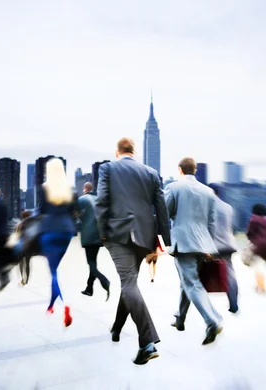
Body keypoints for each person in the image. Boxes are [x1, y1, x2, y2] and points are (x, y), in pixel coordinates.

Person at [95, 137, 171, 365]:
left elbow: (101, 202)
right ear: (134, 152)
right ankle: (117, 328)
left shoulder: (107, 168)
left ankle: (146, 342)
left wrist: (102, 233)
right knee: (130, 283)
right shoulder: (151, 172)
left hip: (118, 234)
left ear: (117, 152)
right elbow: (161, 207)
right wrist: (164, 239)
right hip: (144, 236)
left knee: (128, 283)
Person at [165, 159, 223, 345]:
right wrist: (210, 248)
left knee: (192, 284)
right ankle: (180, 319)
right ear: (195, 171)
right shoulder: (208, 192)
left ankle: (212, 320)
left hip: (184, 243)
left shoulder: (174, 187)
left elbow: (165, 212)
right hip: (203, 243)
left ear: (180, 170)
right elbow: (212, 222)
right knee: (188, 282)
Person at [38, 158, 76, 327]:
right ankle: (51, 305)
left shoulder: (45, 188)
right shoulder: (69, 189)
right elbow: (74, 211)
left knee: (53, 272)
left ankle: (63, 303)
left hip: (50, 231)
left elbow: (41, 210)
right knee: (55, 270)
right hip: (66, 232)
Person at [208, 183, 239, 314]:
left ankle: (204, 308)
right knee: (230, 274)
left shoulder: (207, 206)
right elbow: (232, 226)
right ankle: (234, 304)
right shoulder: (228, 207)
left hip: (214, 245)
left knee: (196, 275)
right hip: (228, 244)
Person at [77, 182, 110, 300]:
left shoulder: (81, 199)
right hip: (99, 235)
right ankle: (89, 288)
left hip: (88, 234)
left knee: (90, 262)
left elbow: (74, 214)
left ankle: (104, 280)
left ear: (85, 189)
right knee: (93, 262)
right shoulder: (98, 199)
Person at [246, 203, 266, 294]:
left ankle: (261, 287)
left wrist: (251, 241)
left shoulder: (253, 219)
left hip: (257, 246)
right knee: (262, 267)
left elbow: (250, 233)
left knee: (258, 267)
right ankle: (259, 285)